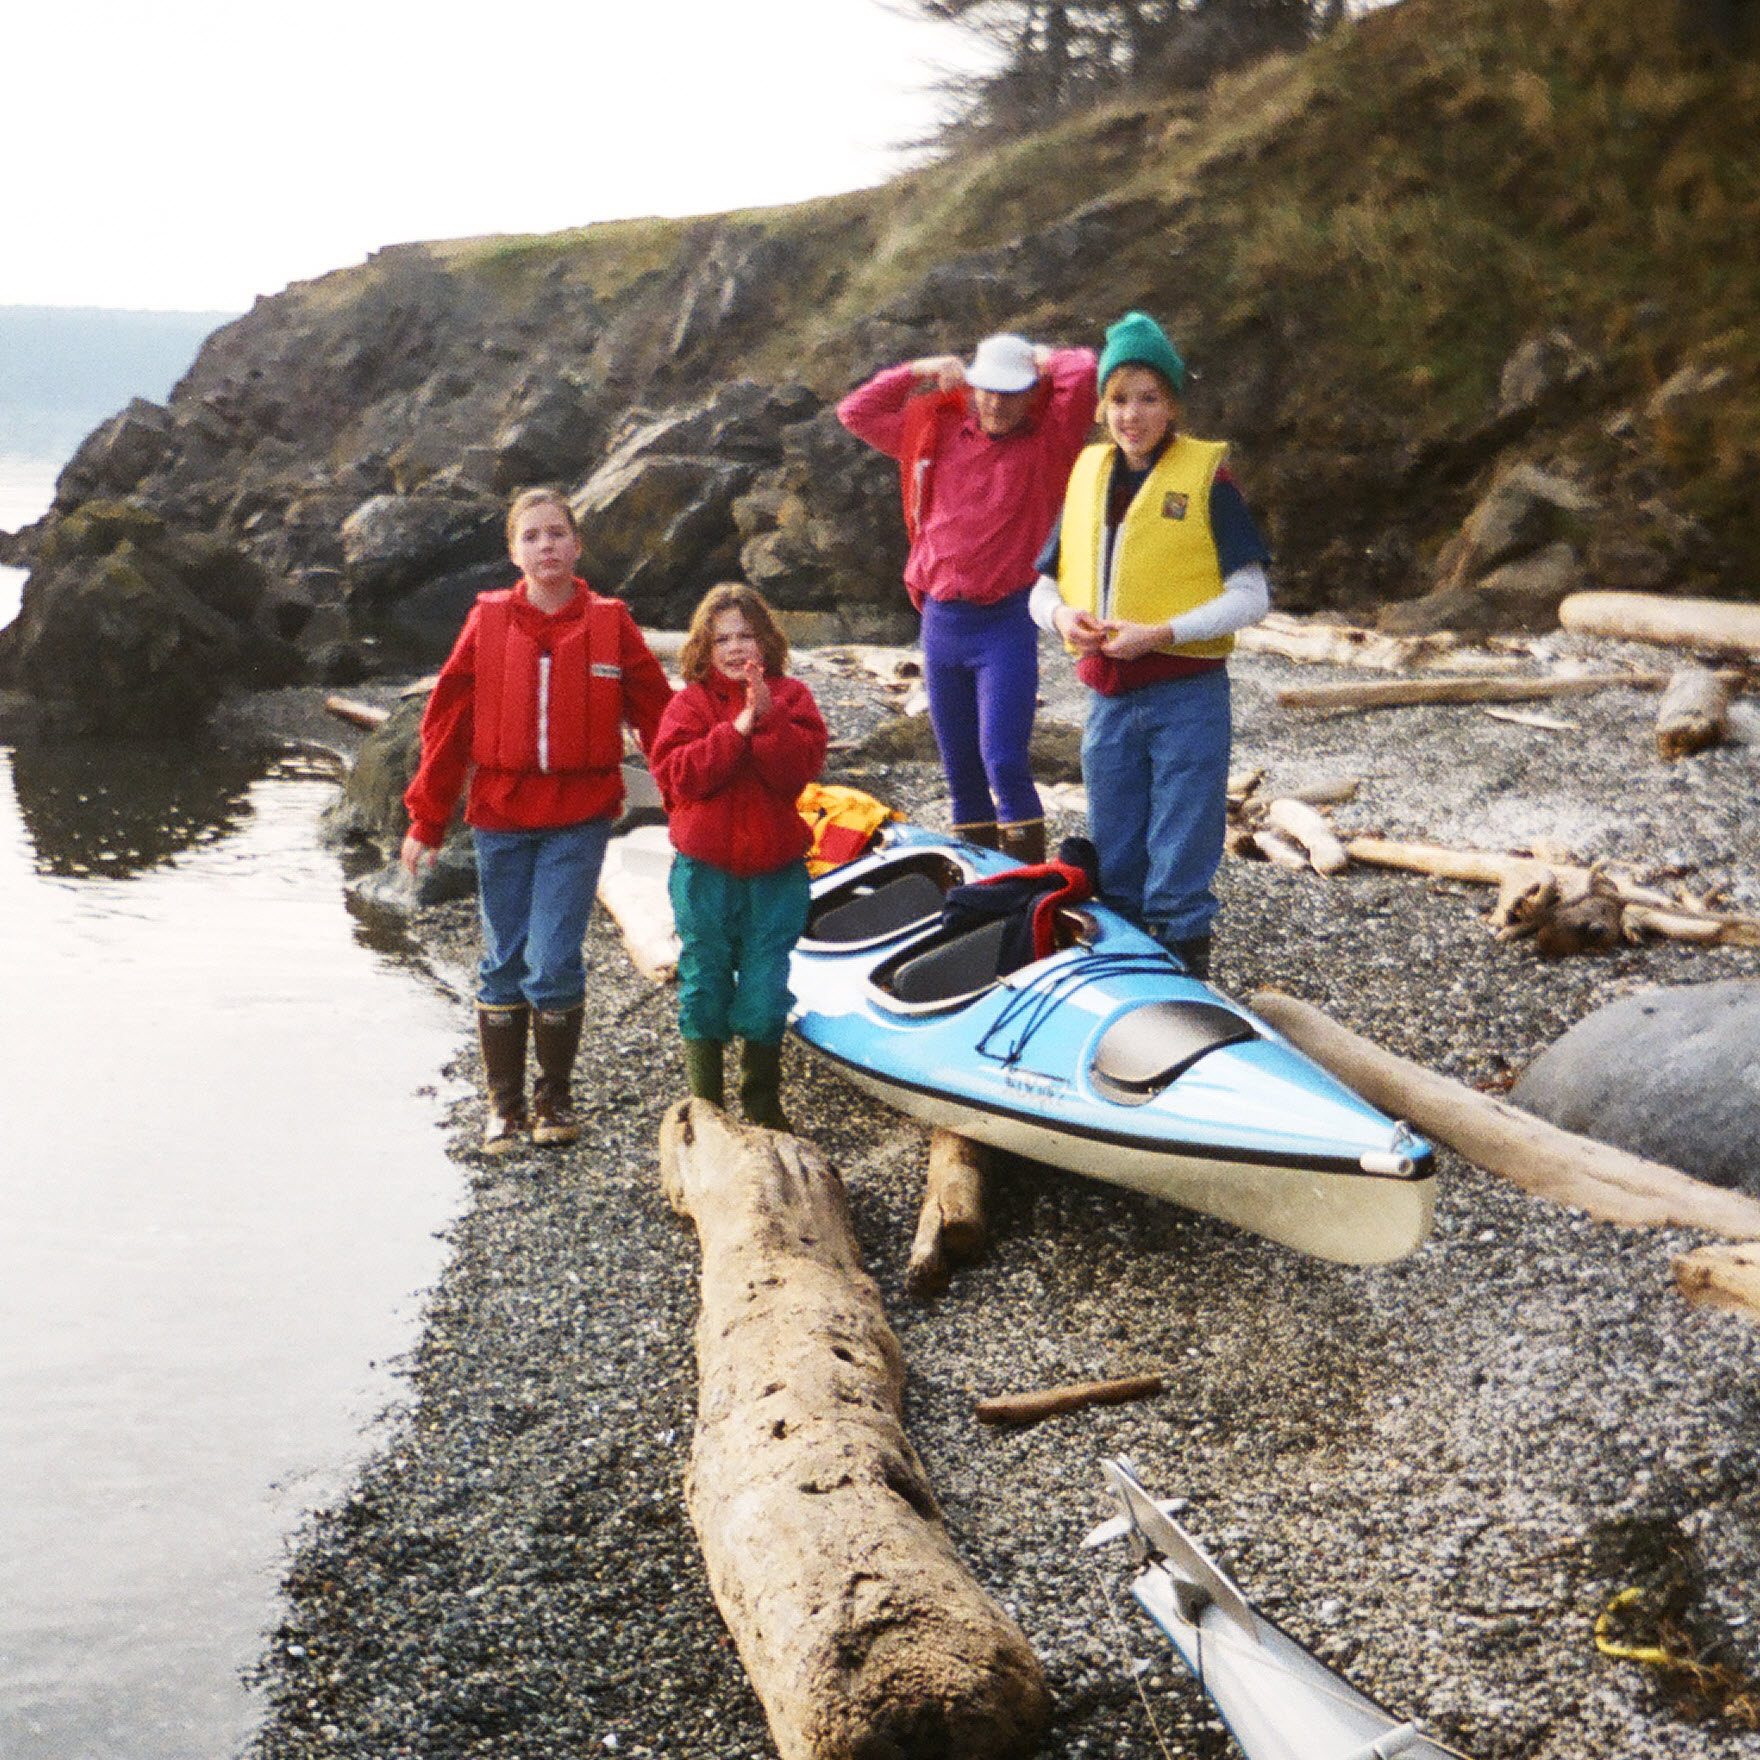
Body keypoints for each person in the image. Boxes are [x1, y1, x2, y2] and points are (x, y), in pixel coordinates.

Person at [401, 487, 672, 1153]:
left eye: (557, 534)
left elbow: (662, 719)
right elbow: (446, 725)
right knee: (502, 959)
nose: (545, 545)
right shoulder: (487, 623)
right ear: (514, 553)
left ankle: (554, 1099)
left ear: (577, 546)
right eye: (532, 536)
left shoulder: (611, 623)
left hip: (578, 818)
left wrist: (693, 804)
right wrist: (426, 820)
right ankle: (504, 1107)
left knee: (552, 961)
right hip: (499, 817)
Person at [1030, 311, 1271, 980]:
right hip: (1107, 698)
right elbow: (1039, 591)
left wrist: (1161, 634)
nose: (1132, 415)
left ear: (1171, 405)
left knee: (1184, 837)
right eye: (1119, 399)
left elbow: (1253, 596)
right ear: (1102, 405)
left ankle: (1187, 964)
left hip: (1187, 693)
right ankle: (1130, 971)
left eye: (1148, 398)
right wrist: (1062, 621)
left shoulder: (1207, 482)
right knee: (1115, 845)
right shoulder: (1088, 478)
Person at [837, 331, 1097, 865]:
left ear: (1032, 393)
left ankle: (1028, 881)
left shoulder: (1050, 442)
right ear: (972, 387)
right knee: (959, 769)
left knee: (1003, 759)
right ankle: (983, 884)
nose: (997, 402)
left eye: (1011, 390)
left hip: (1006, 621)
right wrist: (923, 369)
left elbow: (1085, 370)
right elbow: (856, 411)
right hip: (940, 619)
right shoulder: (936, 430)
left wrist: (1042, 360)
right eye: (987, 389)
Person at [649, 583, 828, 1130]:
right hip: (705, 874)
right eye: (721, 638)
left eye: (745, 635)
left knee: (766, 985)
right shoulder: (690, 704)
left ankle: (762, 1101)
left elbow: (797, 771)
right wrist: (737, 730)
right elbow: (678, 777)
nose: (733, 648)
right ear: (703, 647)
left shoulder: (793, 697)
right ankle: (705, 1105)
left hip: (775, 874)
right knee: (703, 979)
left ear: (765, 642)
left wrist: (769, 718)